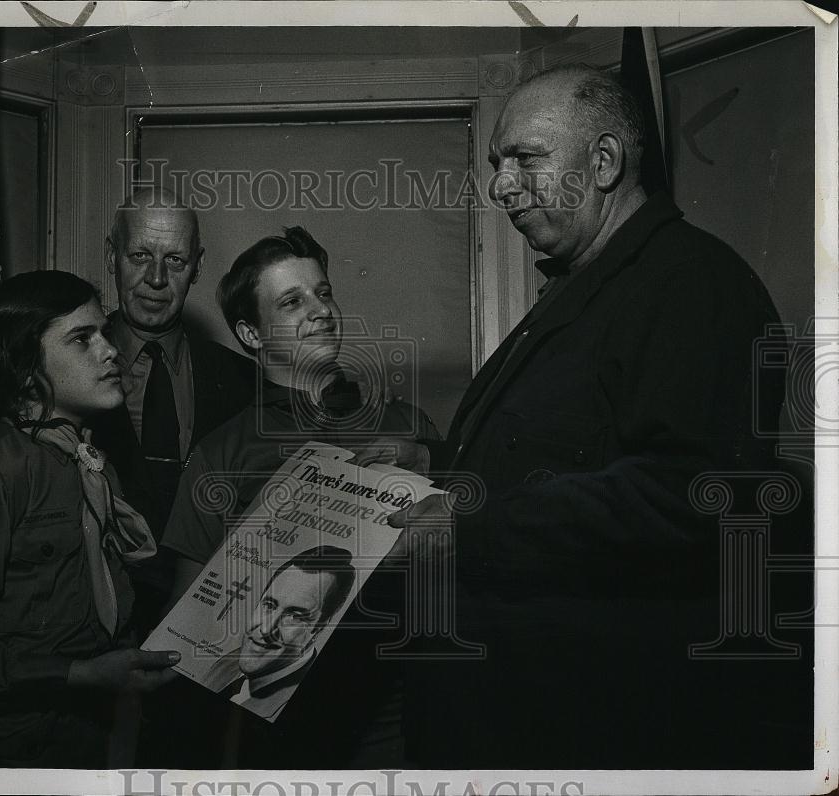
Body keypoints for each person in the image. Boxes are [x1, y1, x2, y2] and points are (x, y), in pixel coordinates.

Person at [360, 64, 808, 768]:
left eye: (525, 159)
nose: (501, 186)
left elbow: (691, 494)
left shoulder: (690, 285)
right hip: (514, 718)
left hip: (590, 732)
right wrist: (433, 465)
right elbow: (560, 454)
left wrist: (465, 531)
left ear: (603, 163)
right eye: (497, 165)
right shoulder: (590, 283)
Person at [161, 225, 438, 767]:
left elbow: (463, 564)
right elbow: (187, 620)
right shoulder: (222, 454)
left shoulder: (408, 428)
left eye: (324, 292)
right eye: (292, 301)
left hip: (394, 716)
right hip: (273, 730)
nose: (321, 310)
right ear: (251, 334)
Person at [0, 271, 180, 768]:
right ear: (24, 367)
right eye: (83, 339)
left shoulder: (90, 464)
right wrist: (76, 675)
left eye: (104, 333)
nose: (111, 351)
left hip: (98, 746)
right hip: (10, 757)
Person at [89, 187, 256, 633]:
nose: (156, 279)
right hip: (96, 631)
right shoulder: (66, 372)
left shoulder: (243, 381)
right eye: (140, 255)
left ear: (198, 266)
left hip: (211, 624)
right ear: (112, 256)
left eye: (175, 261)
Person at [201, 546, 356, 722]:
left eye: (294, 616)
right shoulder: (228, 663)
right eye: (269, 605)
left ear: (319, 628)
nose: (266, 629)